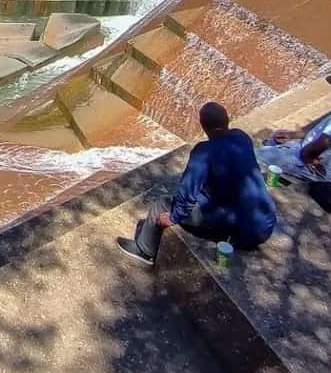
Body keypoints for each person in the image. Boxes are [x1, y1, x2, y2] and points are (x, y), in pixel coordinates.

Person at [118, 102, 277, 266]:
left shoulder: (204, 152)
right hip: (266, 222)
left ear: (203, 125)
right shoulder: (241, 137)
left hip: (243, 232)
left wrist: (173, 217)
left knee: (161, 204)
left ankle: (144, 251)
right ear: (227, 119)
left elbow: (187, 193)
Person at [256, 72, 331, 187]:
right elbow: (322, 133)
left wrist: (307, 159)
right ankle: (276, 152)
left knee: (254, 155)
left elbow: (317, 147)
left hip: (322, 173)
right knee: (274, 140)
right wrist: (293, 135)